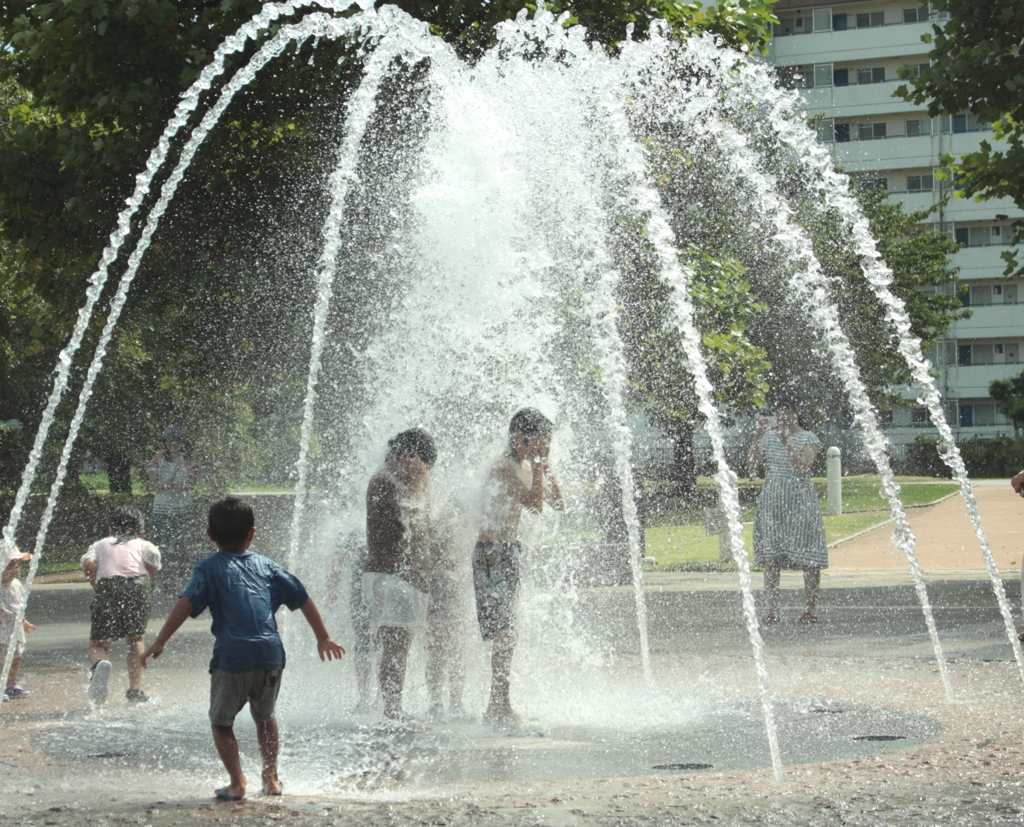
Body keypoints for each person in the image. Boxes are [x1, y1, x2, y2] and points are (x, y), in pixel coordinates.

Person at [141, 496, 344, 801]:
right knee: (265, 716)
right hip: (270, 655)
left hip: (232, 656)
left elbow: (187, 602)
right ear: (252, 533)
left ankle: (237, 783)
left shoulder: (208, 568)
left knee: (221, 722)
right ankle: (271, 777)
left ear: (209, 534)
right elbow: (302, 597)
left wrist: (160, 640)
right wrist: (323, 637)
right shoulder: (267, 565)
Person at [474, 408, 564, 729]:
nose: (544, 449)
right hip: (492, 554)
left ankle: (499, 706)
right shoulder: (505, 467)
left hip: (507, 551)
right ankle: (497, 708)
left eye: (547, 444)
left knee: (508, 632)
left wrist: (545, 467)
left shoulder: (523, 465)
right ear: (517, 438)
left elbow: (558, 503)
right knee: (505, 632)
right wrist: (538, 467)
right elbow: (535, 506)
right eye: (540, 443)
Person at [364, 427, 437, 721]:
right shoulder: (387, 480)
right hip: (391, 577)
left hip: (398, 578)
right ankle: (392, 711)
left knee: (398, 648)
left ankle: (394, 709)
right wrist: (419, 482)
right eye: (424, 464)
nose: (426, 472)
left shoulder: (393, 478)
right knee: (395, 648)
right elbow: (414, 521)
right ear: (408, 455)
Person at [746, 402, 827, 625]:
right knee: (771, 556)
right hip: (773, 498)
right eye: (778, 412)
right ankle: (772, 609)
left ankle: (810, 608)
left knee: (808, 555)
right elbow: (751, 465)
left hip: (800, 498)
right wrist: (757, 435)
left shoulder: (808, 437)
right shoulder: (768, 437)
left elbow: (803, 469)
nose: (782, 416)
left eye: (787, 412)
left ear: (797, 413)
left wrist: (787, 443)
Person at [81, 507, 161, 705]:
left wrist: (96, 584)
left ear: (111, 530)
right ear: (141, 531)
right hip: (138, 585)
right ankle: (135, 691)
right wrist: (146, 584)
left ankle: (100, 665)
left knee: (99, 642)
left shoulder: (100, 544)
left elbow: (88, 563)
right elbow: (152, 562)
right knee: (135, 638)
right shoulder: (144, 544)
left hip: (107, 585)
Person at [425, 500, 471, 721]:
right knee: (436, 654)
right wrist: (443, 572)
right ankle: (435, 704)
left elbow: (467, 562)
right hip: (434, 602)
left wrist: (463, 571)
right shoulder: (430, 532)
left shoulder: (460, 537)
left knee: (457, 654)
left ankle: (456, 704)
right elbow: (420, 562)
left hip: (456, 601)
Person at [147, 424, 197, 590]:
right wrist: (163, 484)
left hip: (183, 508)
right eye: (169, 442)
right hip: (161, 508)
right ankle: (160, 580)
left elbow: (192, 484)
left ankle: (180, 579)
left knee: (182, 545)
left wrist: (180, 487)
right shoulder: (158, 459)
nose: (172, 445)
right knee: (160, 545)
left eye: (176, 441)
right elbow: (152, 484)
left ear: (181, 442)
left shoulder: (189, 461)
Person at [1, 546, 36, 701]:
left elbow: (18, 607)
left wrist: (24, 621)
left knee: (16, 657)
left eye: (17, 567)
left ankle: (11, 684)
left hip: (14, 629)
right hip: (2, 629)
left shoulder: (16, 584)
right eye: (10, 567)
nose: (14, 571)